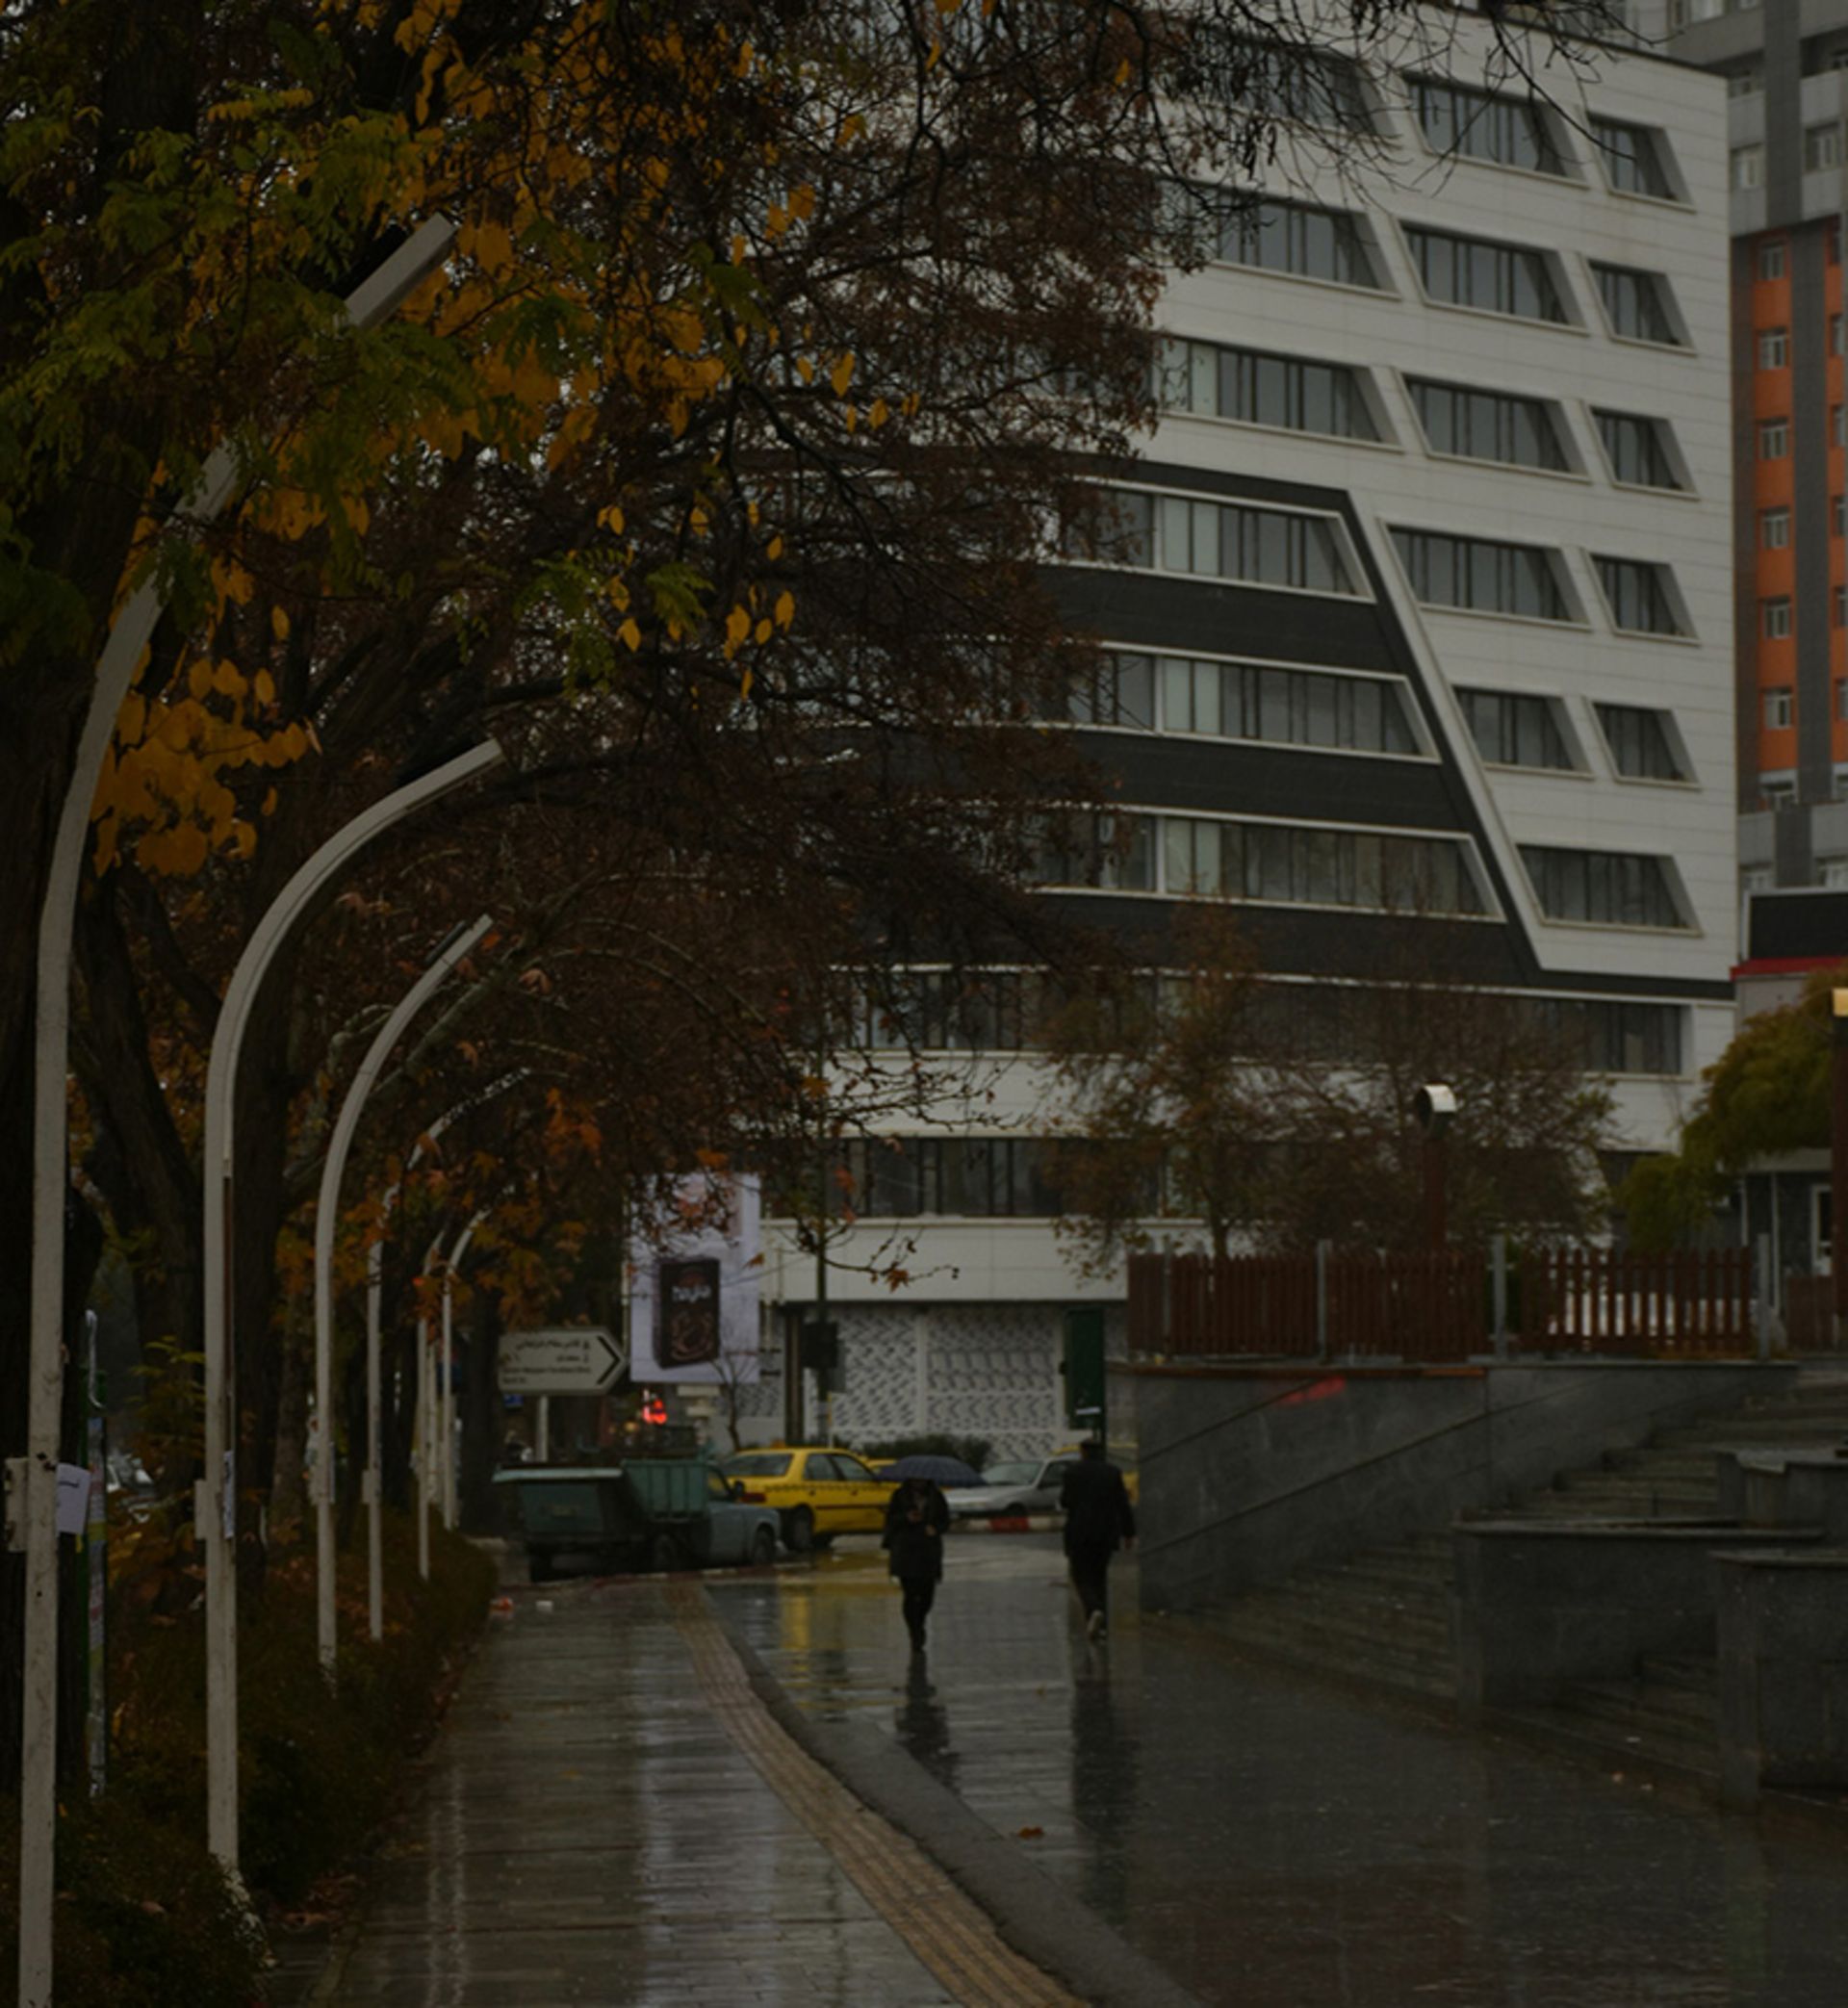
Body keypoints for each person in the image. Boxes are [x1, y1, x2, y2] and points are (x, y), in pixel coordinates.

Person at [1060, 1440, 1135, 1641]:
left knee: (1081, 1576)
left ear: (1083, 1452)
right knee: (1099, 1577)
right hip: (1105, 1533)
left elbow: (1065, 1501)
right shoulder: (1112, 1472)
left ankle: (1094, 1610)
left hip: (1079, 1532)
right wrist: (1129, 1533)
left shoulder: (1072, 1473)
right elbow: (1122, 1504)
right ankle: (1100, 1627)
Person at [882, 1474, 950, 1653]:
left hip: (928, 1552)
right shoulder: (899, 1496)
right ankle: (915, 1631)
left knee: (927, 1596)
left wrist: (935, 1528)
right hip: (906, 1552)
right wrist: (906, 1518)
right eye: (914, 1479)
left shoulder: (936, 1496)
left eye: (921, 1479)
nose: (918, 1482)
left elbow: (945, 1521)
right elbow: (890, 1521)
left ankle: (920, 1622)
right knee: (910, 1595)